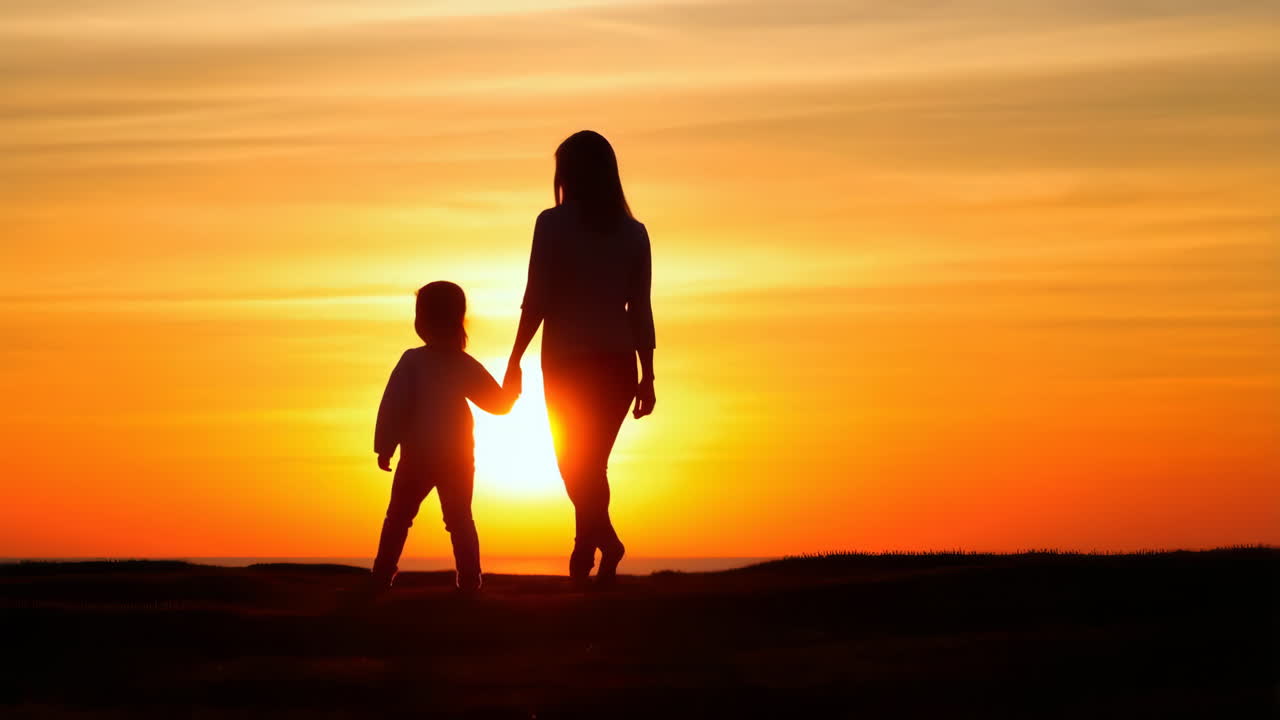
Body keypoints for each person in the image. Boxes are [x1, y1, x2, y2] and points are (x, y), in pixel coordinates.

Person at [505, 130, 656, 588]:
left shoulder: (552, 225)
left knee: (579, 464)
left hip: (574, 361)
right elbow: (640, 309)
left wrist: (514, 359)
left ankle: (593, 542)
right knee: (584, 464)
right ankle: (596, 541)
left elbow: (537, 299)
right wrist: (645, 374)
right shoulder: (632, 233)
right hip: (610, 362)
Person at [371, 281, 521, 592]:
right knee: (459, 520)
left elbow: (393, 406)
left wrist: (385, 446)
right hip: (456, 457)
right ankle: (469, 580)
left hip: (420, 456)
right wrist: (512, 390)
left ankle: (382, 576)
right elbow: (498, 404)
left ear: (422, 321)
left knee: (399, 518)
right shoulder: (460, 363)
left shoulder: (413, 361)